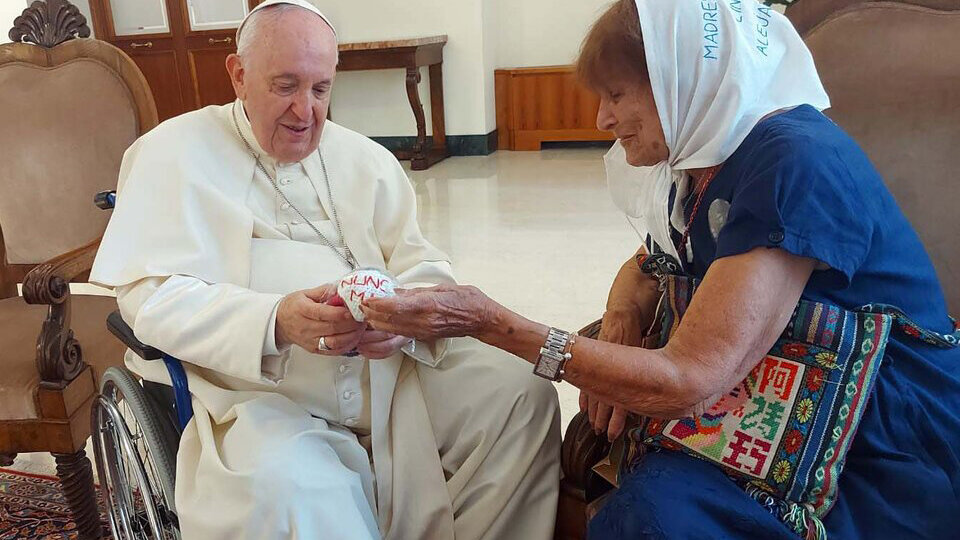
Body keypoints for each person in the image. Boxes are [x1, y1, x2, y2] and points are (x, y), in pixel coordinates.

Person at [360, 0, 960, 538]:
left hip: (877, 431)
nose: (601, 120)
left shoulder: (793, 161)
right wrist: (620, 317)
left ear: (679, 77)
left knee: (652, 516)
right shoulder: (711, 155)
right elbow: (649, 264)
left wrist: (485, 320)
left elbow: (689, 377)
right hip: (767, 393)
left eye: (616, 95)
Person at [90, 1, 560, 538]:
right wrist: (275, 321)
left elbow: (422, 261)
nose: (305, 112)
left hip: (389, 374)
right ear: (238, 75)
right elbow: (150, 297)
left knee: (521, 394)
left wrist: (405, 318)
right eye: (285, 86)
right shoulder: (171, 153)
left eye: (320, 89)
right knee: (292, 488)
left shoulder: (366, 160)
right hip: (254, 394)